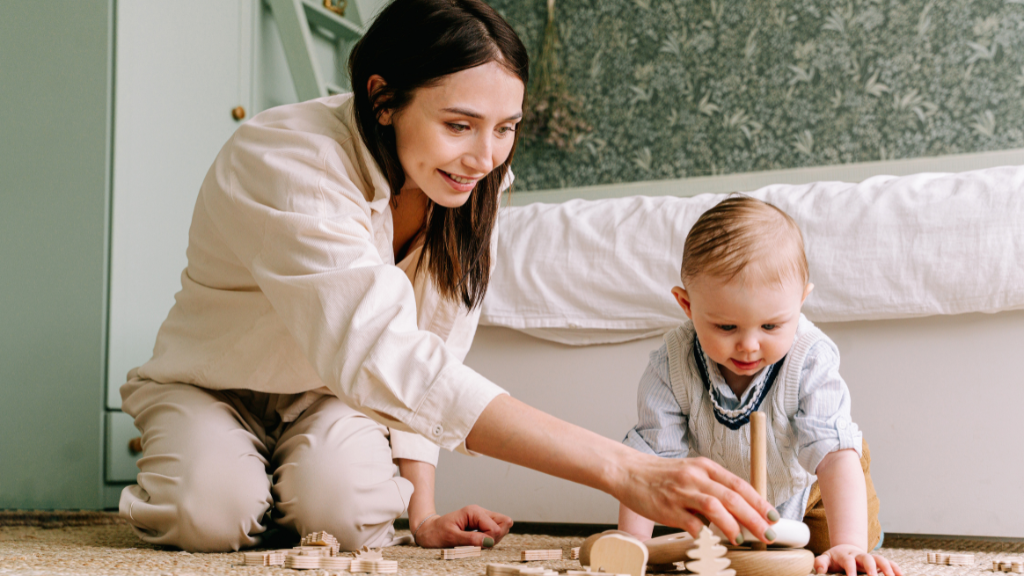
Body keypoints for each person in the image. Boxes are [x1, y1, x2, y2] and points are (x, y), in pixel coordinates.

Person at [117, 0, 778, 554]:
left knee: (348, 520)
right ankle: (222, 471)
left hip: (327, 396)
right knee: (208, 513)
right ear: (382, 98)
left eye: (505, 130)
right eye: (460, 125)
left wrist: (424, 513)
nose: (484, 157)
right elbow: (385, 355)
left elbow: (428, 349)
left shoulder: (471, 184)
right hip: (211, 385)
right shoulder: (286, 161)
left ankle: (286, 484)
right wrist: (623, 468)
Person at [617, 196, 901, 576]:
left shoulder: (811, 357)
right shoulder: (672, 363)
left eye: (770, 326)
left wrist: (847, 544)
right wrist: (632, 548)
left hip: (815, 484)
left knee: (831, 554)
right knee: (721, 554)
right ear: (687, 306)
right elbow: (649, 464)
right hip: (731, 495)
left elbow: (833, 455)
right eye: (726, 327)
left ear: (800, 301)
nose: (749, 345)